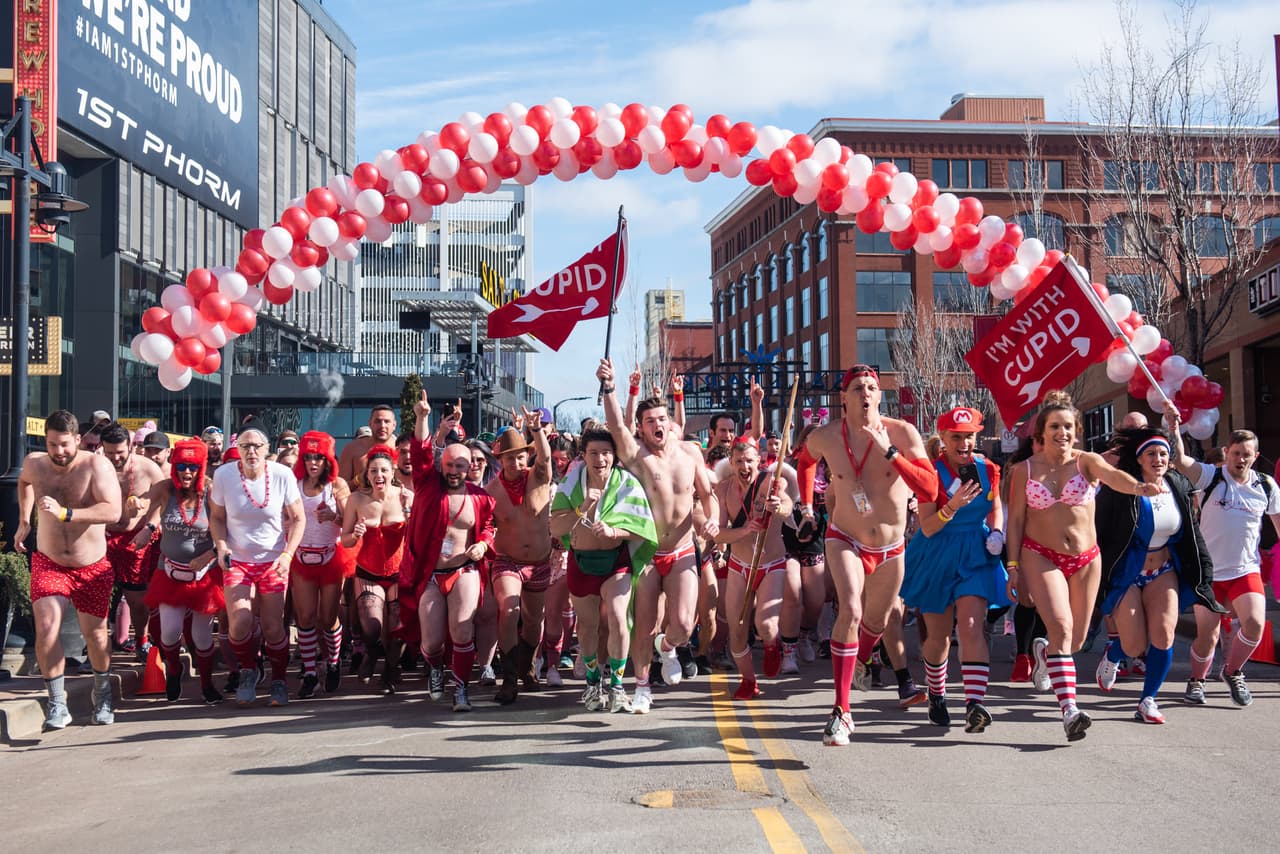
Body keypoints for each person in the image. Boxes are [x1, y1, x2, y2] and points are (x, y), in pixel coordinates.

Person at [793, 366, 939, 746]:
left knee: (875, 623)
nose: (866, 394)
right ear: (844, 397)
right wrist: (807, 508)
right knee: (852, 611)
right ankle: (841, 712)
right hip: (846, 538)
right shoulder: (826, 437)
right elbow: (804, 462)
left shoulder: (902, 433)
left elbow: (930, 488)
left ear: (880, 395)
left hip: (890, 546)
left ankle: (864, 657)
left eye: (873, 387)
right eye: (858, 388)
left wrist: (889, 453)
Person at [1004, 391, 1162, 741]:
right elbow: (1015, 521)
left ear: (1076, 432)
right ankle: (1070, 710)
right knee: (1060, 625)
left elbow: (1112, 475)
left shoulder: (1086, 461)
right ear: (1041, 433)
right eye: (1055, 426)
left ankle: (1045, 653)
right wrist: (1013, 566)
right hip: (1040, 554)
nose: (1062, 432)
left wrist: (1138, 487)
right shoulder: (1022, 471)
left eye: (1068, 427)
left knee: (1074, 641)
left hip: (1086, 559)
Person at [598, 358, 719, 714]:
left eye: (662, 419)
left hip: (682, 550)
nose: (657, 425)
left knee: (683, 623)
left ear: (672, 423)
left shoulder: (691, 453)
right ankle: (642, 687)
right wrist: (610, 386)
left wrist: (711, 520)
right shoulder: (637, 456)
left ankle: (669, 648)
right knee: (644, 625)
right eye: (650, 421)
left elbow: (708, 495)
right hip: (646, 551)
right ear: (642, 427)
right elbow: (615, 426)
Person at [1095, 426, 1223, 723]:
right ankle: (1114, 655)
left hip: (1163, 571)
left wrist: (1202, 569)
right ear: (1139, 459)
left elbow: (1190, 531)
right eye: (1151, 453)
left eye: (1164, 453)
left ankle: (1147, 700)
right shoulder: (1121, 486)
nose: (1158, 459)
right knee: (1135, 646)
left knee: (1164, 635)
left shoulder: (1177, 483)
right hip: (1128, 572)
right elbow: (1100, 531)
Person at [900, 408, 1010, 732]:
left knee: (973, 625)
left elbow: (996, 505)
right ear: (944, 439)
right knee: (938, 637)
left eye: (969, 436)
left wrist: (998, 532)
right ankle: (937, 694)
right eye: (957, 437)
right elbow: (929, 527)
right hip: (937, 553)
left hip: (975, 552)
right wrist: (952, 506)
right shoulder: (929, 473)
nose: (964, 443)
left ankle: (975, 703)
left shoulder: (988, 468)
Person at [1165, 403, 1280, 706]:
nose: (1241, 459)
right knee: (1208, 635)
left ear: (1256, 456)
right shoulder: (1210, 477)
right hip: (1210, 573)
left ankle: (1234, 672)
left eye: (1247, 454)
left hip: (1246, 570)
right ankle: (1197, 680)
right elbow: (1179, 459)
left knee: (1254, 623)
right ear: (1227, 452)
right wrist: (1174, 428)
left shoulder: (1265, 486)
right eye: (1236, 453)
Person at [15, 411, 123, 729]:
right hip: (50, 562)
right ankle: (57, 704)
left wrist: (65, 513)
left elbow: (113, 510)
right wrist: (24, 520)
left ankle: (102, 696)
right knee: (46, 630)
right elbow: (23, 482)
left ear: (77, 439)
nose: (58, 452)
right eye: (51, 445)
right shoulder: (35, 463)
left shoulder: (96, 466)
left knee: (96, 636)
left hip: (91, 565)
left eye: (63, 445)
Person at [397, 393, 496, 713]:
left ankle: (462, 688)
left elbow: (488, 527)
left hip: (463, 570)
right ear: (442, 465)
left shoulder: (481, 497)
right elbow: (420, 450)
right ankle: (436, 668)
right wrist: (422, 416)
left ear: (471, 467)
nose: (455, 470)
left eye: (462, 465)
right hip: (428, 575)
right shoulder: (427, 484)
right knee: (432, 641)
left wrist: (483, 543)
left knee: (463, 629)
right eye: (450, 464)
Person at [551, 428, 658, 713]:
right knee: (587, 627)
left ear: (614, 455)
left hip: (615, 561)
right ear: (583, 456)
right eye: (594, 453)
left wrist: (614, 531)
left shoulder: (627, 483)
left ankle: (618, 685)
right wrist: (582, 508)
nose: (600, 459)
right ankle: (592, 682)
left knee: (618, 618)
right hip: (582, 562)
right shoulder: (572, 482)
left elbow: (642, 528)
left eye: (606, 452)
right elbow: (555, 526)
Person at [209, 421, 306, 707]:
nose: (251, 451)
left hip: (273, 561)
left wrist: (287, 555)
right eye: (245, 446)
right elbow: (216, 517)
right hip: (237, 561)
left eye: (257, 446)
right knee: (239, 622)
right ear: (237, 450)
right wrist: (221, 545)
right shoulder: (224, 475)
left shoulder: (282, 475)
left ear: (267, 450)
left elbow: (299, 518)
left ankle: (278, 679)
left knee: (275, 627)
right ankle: (248, 670)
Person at [133, 438, 225, 704]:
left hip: (203, 574)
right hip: (170, 571)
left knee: (201, 636)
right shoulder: (165, 488)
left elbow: (227, 533)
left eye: (193, 467)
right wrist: (134, 503)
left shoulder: (212, 491)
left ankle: (207, 685)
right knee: (169, 633)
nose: (187, 472)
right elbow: (143, 500)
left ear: (201, 468)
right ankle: (174, 669)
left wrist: (209, 555)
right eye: (182, 465)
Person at [713, 438, 792, 699]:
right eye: (739, 462)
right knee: (737, 629)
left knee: (766, 625)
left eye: (749, 460)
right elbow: (720, 535)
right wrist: (744, 530)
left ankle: (772, 644)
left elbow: (788, 505)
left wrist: (779, 507)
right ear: (732, 464)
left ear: (758, 460)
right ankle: (748, 680)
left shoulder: (773, 481)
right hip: (739, 565)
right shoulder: (724, 490)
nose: (744, 466)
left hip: (771, 564)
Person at [486, 406, 555, 704]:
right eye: (509, 457)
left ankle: (526, 667)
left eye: (519, 455)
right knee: (510, 608)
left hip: (540, 561)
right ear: (500, 460)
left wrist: (536, 430)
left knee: (533, 620)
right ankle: (509, 678)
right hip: (507, 561)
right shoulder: (491, 490)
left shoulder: (538, 477)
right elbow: (486, 526)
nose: (515, 461)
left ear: (527, 456)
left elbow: (547, 457)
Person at [291, 431, 353, 698]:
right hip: (301, 556)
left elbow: (350, 522)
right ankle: (310, 672)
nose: (313, 462)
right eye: (308, 457)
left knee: (328, 618)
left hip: (330, 556)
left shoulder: (337, 485)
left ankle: (334, 661)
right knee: (304, 617)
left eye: (319, 457)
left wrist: (335, 516)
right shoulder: (292, 484)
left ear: (328, 459)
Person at [341, 443, 407, 690]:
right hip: (368, 571)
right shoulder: (356, 499)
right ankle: (372, 652)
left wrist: (410, 513)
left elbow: (419, 537)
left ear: (392, 472)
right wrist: (356, 534)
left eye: (383, 470)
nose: (378, 475)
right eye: (373, 471)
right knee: (371, 626)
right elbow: (346, 540)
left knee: (398, 627)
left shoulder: (404, 497)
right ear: (366, 474)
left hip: (400, 572)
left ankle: (391, 670)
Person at [101, 423, 168, 660]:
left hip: (135, 539)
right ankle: (97, 649)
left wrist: (150, 526)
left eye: (119, 452)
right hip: (103, 537)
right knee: (100, 596)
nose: (115, 457)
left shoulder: (147, 467)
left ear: (130, 446)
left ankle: (141, 641)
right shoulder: (95, 466)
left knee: (137, 600)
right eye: (109, 453)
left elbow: (164, 499)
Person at [338, 405, 398, 482]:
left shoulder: (402, 450)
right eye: (377, 421)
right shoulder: (352, 449)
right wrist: (358, 479)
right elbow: (340, 490)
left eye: (387, 421)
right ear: (370, 424)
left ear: (394, 425)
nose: (382, 426)